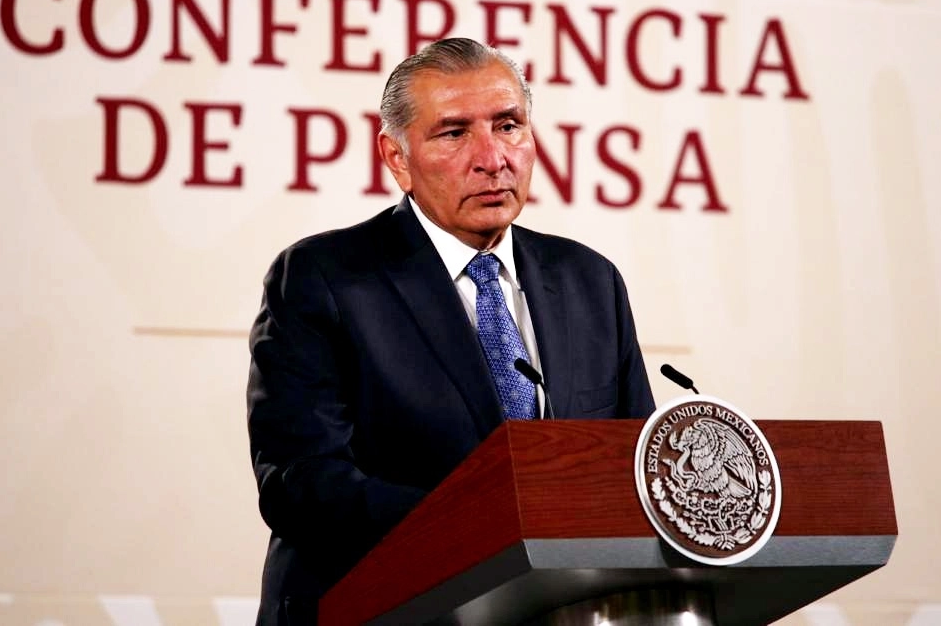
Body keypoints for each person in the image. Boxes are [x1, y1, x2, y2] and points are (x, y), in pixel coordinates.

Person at [246, 37, 655, 625]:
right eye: (455, 133)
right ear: (397, 158)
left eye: (508, 125)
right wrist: (487, 523)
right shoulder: (325, 278)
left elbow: (634, 468)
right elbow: (300, 484)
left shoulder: (589, 280)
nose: (493, 158)